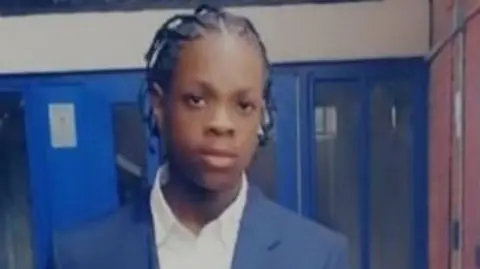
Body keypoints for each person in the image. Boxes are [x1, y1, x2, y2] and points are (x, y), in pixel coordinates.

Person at [53, 4, 349, 269]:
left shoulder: (317, 257)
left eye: (243, 105)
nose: (221, 124)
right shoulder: (80, 257)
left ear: (261, 116)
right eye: (197, 99)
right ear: (159, 105)